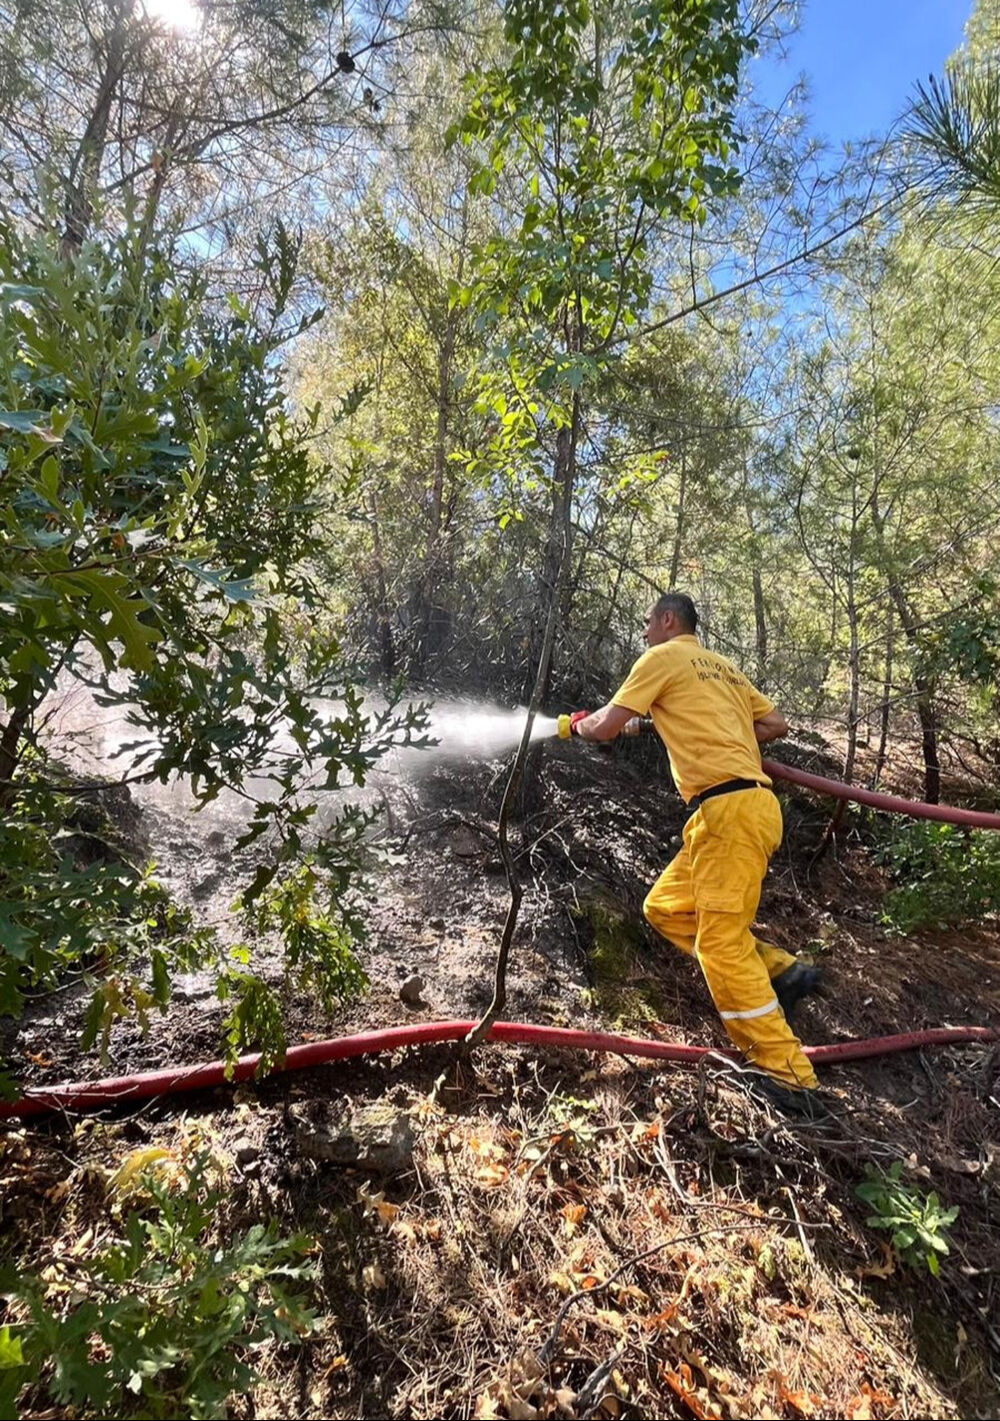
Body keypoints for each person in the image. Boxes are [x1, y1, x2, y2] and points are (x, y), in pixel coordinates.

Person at [564, 591, 824, 1115]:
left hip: (728, 811)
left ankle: (791, 1076)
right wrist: (724, 734)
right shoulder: (722, 668)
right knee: (663, 909)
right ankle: (779, 971)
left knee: (721, 945)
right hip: (738, 810)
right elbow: (776, 726)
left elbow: (606, 728)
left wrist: (575, 725)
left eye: (646, 624)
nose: (642, 634)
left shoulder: (661, 657)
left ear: (666, 620)